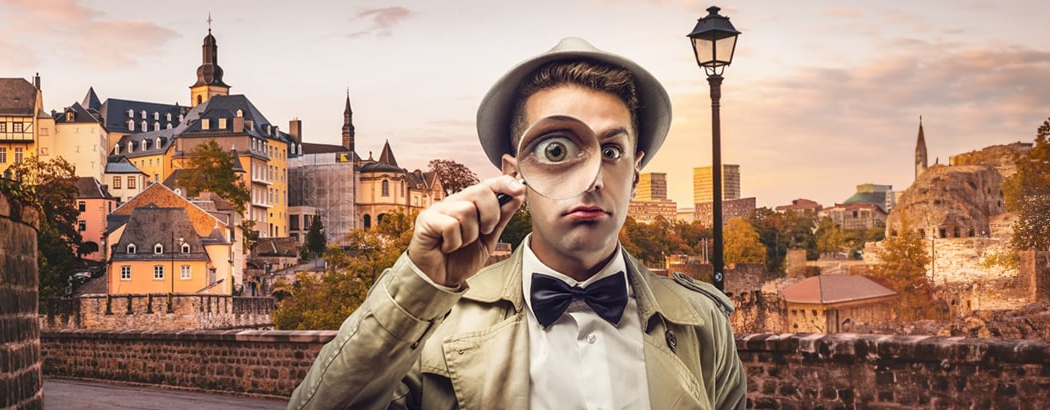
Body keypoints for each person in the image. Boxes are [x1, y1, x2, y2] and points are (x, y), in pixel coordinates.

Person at [287, 37, 746, 409]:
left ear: (635, 174)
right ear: (515, 171)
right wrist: (418, 286)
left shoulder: (703, 324)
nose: (590, 181)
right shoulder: (434, 326)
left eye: (610, 151)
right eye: (556, 150)